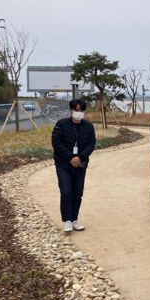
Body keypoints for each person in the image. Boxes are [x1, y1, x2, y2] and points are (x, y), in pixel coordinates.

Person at [51, 99, 96, 233]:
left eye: (82, 110)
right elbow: (56, 142)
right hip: (63, 163)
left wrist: (80, 157)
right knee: (66, 192)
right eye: (77, 110)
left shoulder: (88, 126)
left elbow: (91, 143)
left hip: (80, 164)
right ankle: (67, 220)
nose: (79, 113)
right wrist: (70, 157)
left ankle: (74, 219)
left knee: (78, 193)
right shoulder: (61, 124)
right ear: (71, 110)